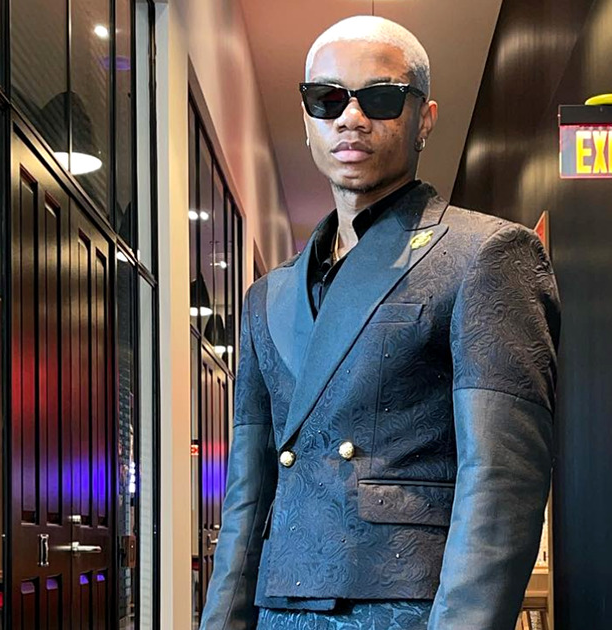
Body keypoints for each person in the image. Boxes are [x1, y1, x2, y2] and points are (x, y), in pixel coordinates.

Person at [200, 15, 560, 630]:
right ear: (307, 118)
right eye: (327, 98)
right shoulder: (266, 297)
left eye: (381, 98)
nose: (350, 117)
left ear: (425, 118)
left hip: (408, 609)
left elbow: (502, 482)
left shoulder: (485, 253)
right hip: (278, 608)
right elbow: (247, 497)